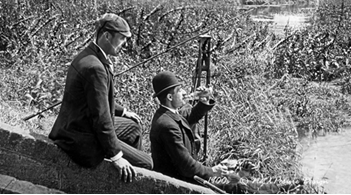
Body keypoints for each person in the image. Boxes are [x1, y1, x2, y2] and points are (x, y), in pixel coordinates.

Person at [49, 13, 153, 182]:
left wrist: (123, 111)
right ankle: (123, 179)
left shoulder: (90, 55)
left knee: (133, 127)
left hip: (76, 123)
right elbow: (101, 117)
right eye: (122, 39)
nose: (125, 44)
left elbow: (96, 96)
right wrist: (116, 156)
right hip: (82, 136)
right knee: (147, 163)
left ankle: (122, 179)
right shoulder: (94, 67)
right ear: (106, 36)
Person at [149, 70, 228, 183]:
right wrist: (213, 171)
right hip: (177, 185)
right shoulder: (166, 126)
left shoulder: (168, 114)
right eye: (179, 90)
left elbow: (189, 117)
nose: (184, 92)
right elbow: (187, 166)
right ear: (170, 97)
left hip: (186, 178)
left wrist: (203, 100)